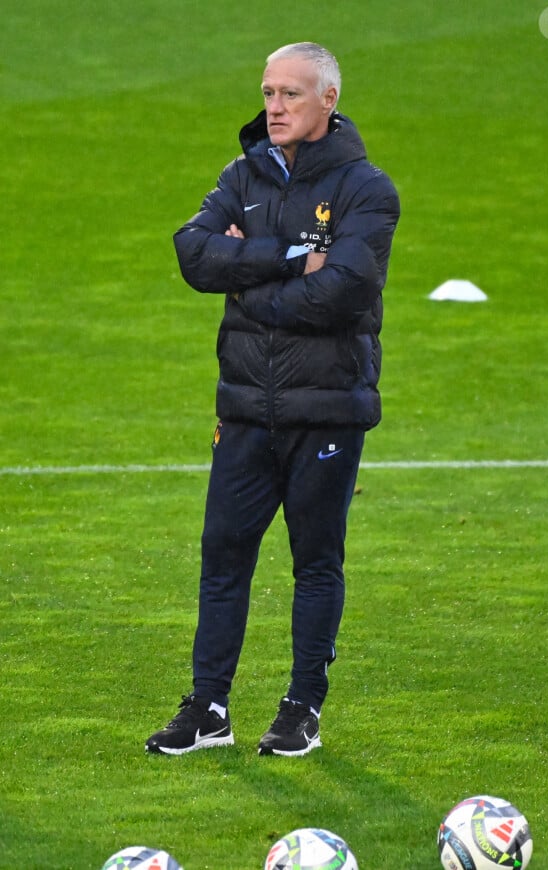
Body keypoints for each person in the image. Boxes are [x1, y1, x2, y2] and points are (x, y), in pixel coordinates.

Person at [146, 42, 400, 757]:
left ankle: (301, 709)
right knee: (222, 556)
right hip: (246, 409)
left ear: (328, 99)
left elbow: (344, 291)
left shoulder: (366, 189)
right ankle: (208, 708)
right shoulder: (242, 173)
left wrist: (247, 282)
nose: (275, 106)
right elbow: (193, 252)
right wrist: (288, 258)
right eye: (267, 92)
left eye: (290, 94)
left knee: (315, 560)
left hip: (326, 409)